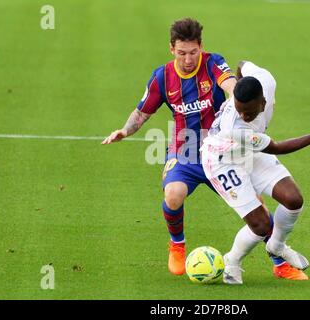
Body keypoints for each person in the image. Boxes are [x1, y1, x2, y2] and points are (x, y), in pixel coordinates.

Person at [102, 18, 236, 276]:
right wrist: (125, 130)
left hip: (221, 151)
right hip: (184, 150)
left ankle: (279, 260)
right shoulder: (162, 76)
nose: (188, 59)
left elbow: (230, 85)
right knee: (173, 194)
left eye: (193, 52)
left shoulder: (213, 62)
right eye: (182, 52)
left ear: (201, 47)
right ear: (172, 49)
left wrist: (236, 97)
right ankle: (177, 245)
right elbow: (142, 113)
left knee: (254, 207)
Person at [201, 64, 310, 284]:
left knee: (293, 200)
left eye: (247, 111)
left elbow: (242, 65)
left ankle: (276, 246)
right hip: (221, 161)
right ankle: (232, 261)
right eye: (238, 109)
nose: (243, 115)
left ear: (263, 102)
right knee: (261, 225)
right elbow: (277, 148)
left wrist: (241, 80)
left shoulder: (265, 79)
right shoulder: (236, 127)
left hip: (250, 152)